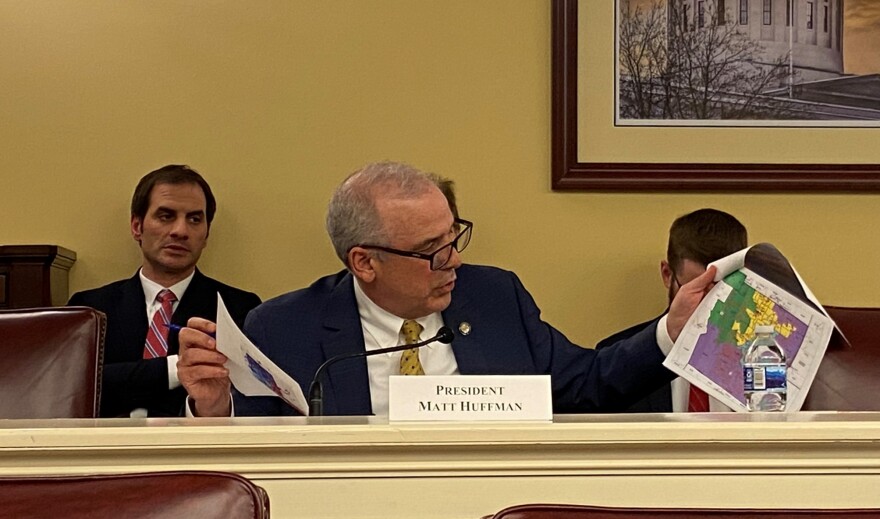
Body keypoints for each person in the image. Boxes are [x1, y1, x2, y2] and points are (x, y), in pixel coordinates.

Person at [178, 161, 715, 417]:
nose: (454, 259)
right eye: (432, 249)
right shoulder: (282, 327)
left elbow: (588, 383)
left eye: (454, 236)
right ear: (364, 262)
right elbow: (252, 458)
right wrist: (213, 407)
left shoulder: (495, 298)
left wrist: (671, 329)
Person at [69, 164, 261, 417]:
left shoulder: (240, 308)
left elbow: (247, 401)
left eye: (194, 219)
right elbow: (77, 387)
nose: (180, 231)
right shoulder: (91, 308)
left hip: (196, 451)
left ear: (206, 235)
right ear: (137, 226)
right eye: (166, 216)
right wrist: (175, 370)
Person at [596, 208, 748, 412]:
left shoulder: (769, 357)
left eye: (721, 289)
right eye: (698, 288)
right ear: (667, 275)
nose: (711, 304)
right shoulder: (614, 364)